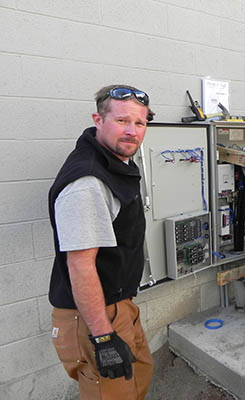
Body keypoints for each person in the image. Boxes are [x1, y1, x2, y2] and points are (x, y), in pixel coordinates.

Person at [48, 85, 155, 399]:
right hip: (94, 316)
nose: (132, 132)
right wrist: (104, 338)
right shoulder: (88, 182)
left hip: (118, 306)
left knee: (139, 377)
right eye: (122, 121)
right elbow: (80, 265)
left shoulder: (114, 161)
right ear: (98, 119)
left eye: (141, 123)